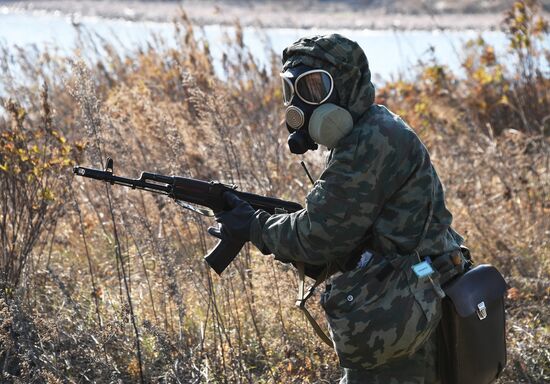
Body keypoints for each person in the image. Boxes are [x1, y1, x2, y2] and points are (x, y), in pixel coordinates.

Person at [209, 34, 467, 384]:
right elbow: (345, 230)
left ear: (346, 88)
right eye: (293, 91)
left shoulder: (371, 141)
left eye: (315, 89)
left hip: (406, 307)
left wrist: (255, 227)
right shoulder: (370, 129)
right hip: (412, 295)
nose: (302, 103)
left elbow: (319, 235)